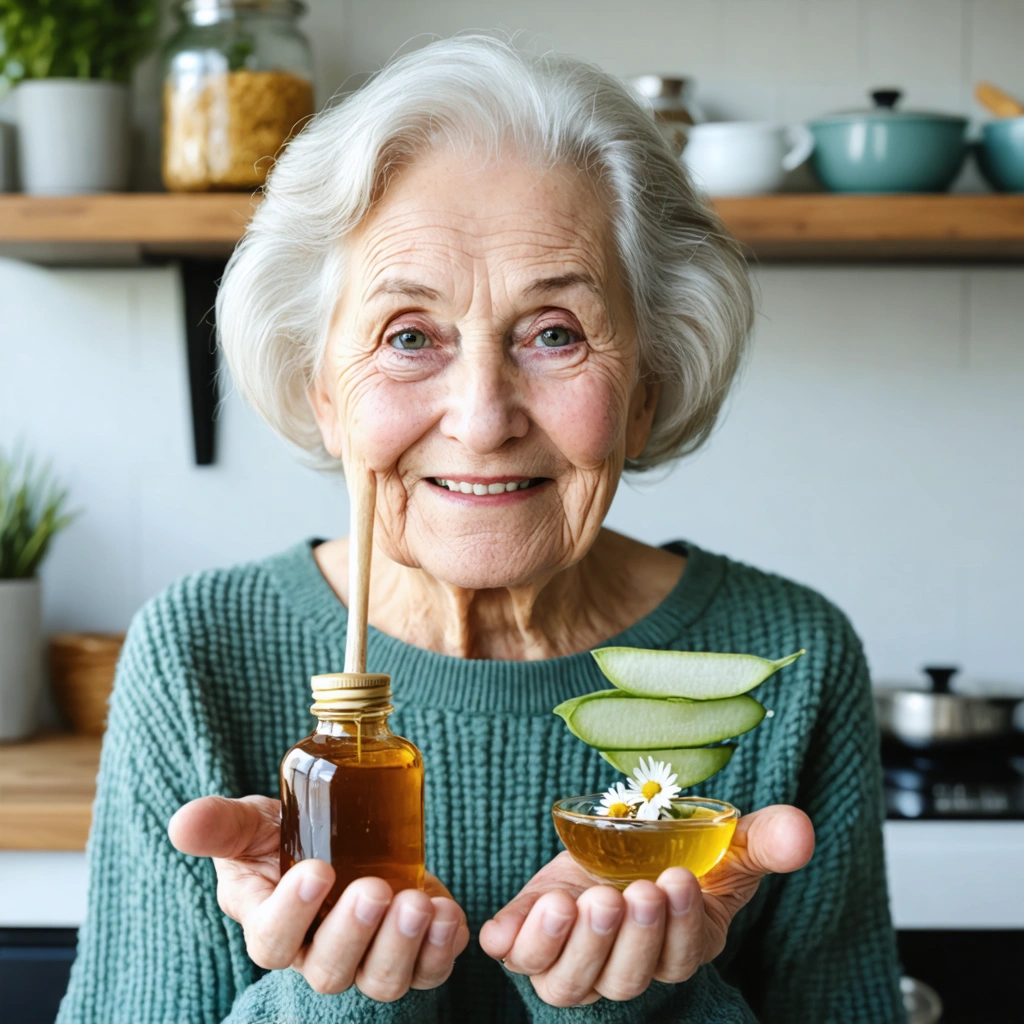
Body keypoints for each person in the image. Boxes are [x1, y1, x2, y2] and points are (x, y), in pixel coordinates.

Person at [57, 35, 906, 1024]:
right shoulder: (196, 650)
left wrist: (638, 1002)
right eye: (409, 335)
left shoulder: (786, 658)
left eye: (554, 332)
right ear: (323, 391)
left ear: (646, 387)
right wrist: (331, 1001)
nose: (483, 415)